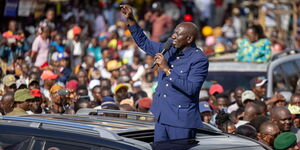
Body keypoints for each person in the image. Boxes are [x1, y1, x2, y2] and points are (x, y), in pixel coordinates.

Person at [121, 4, 209, 142]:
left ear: (189, 39)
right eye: (174, 32)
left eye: (178, 34)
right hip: (162, 116)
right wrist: (131, 19)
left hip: (181, 122)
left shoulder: (199, 59)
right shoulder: (169, 48)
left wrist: (167, 69)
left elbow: (192, 89)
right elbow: (144, 43)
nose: (173, 36)